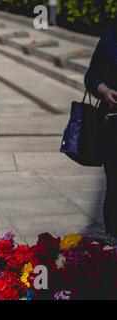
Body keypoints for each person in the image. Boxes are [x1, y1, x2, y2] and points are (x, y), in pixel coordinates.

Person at [85, 25, 117, 238]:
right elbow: (91, 78)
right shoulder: (110, 39)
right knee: (114, 186)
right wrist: (105, 91)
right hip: (113, 125)